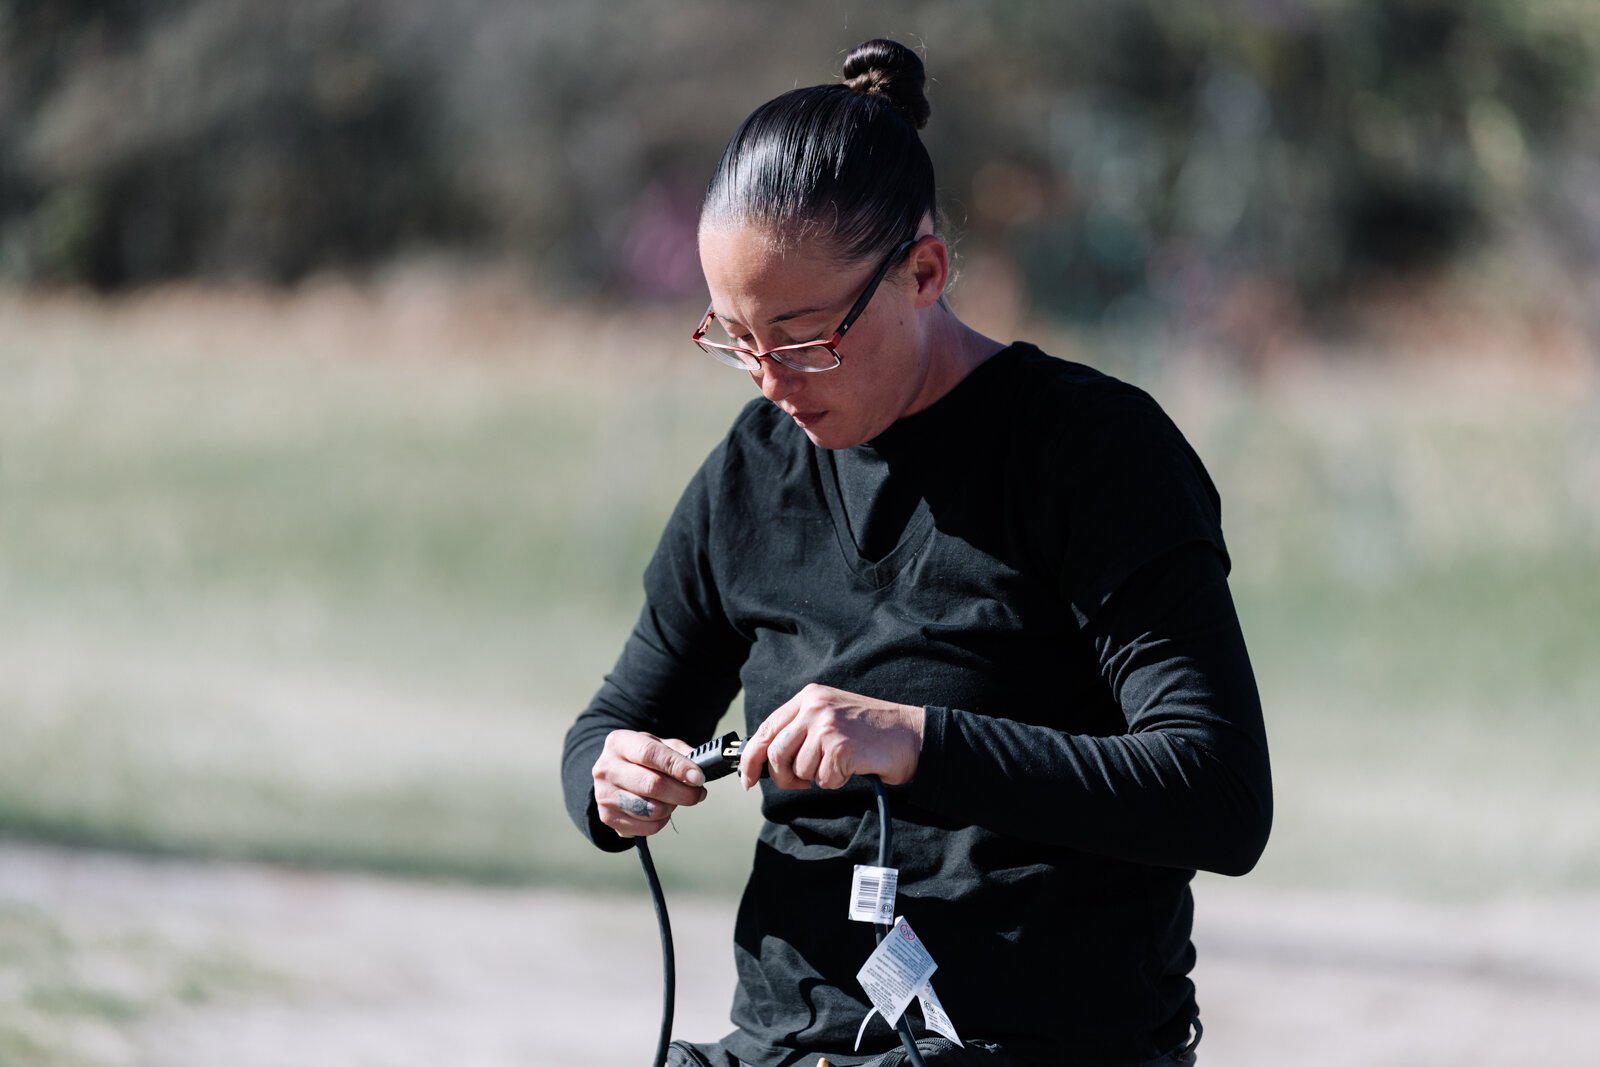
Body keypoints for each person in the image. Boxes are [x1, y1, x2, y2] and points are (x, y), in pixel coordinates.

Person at [561, 38, 1272, 1067]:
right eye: (734, 336)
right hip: (786, 1044)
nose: (768, 378)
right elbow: (610, 726)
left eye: (802, 338)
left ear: (923, 271)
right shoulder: (751, 473)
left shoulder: (1096, 455)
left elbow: (1216, 794)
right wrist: (611, 776)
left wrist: (919, 740)